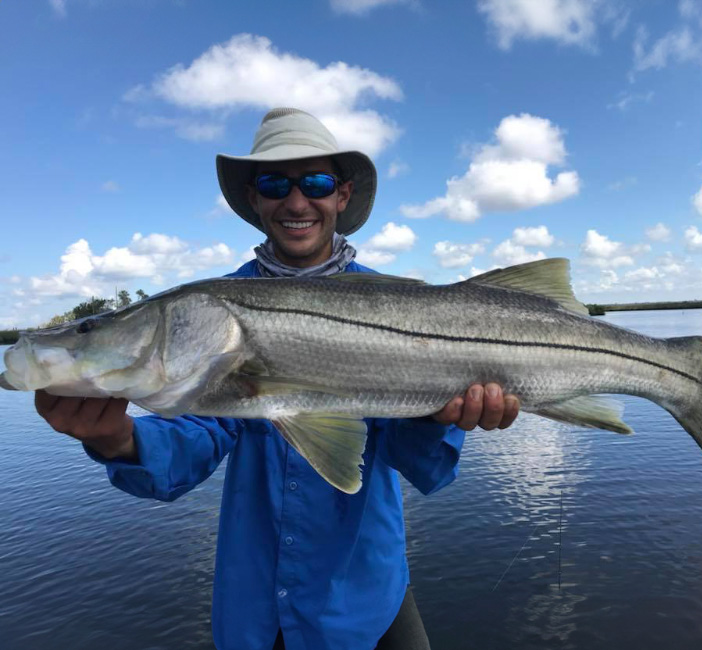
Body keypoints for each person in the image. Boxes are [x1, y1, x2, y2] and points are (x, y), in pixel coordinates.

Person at [34, 108, 520, 650]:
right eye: (274, 183)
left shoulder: (398, 301)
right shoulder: (210, 312)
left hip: (366, 597)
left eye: (315, 183)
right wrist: (117, 439)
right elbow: (199, 436)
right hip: (256, 607)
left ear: (341, 195)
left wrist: (438, 417)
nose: (295, 201)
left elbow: (422, 462)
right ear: (255, 199)